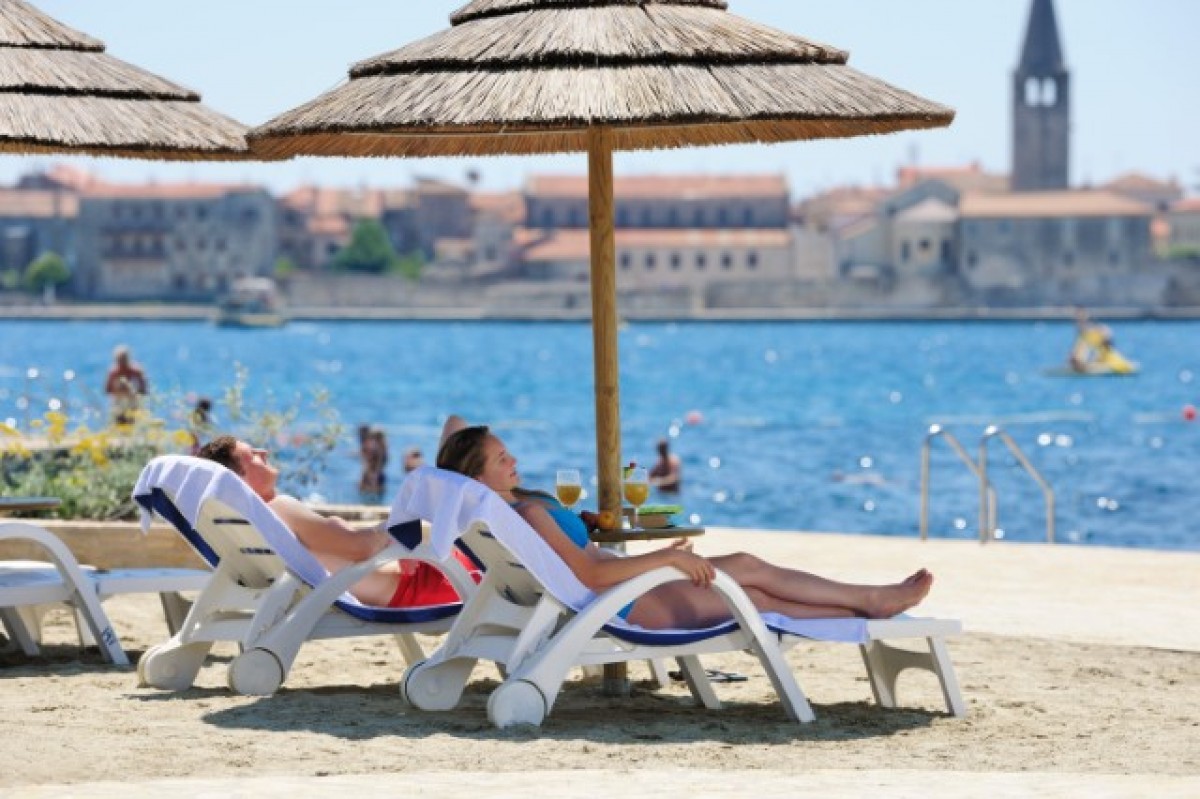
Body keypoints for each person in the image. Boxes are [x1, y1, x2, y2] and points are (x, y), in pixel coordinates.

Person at [435, 421, 933, 630]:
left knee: (747, 569)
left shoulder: (503, 512)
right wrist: (669, 558)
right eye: (502, 458)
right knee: (755, 596)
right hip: (627, 602)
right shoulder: (527, 514)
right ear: (478, 474)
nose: (514, 459)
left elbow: (574, 560)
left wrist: (582, 526)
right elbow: (589, 574)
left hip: (624, 591)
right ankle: (868, 603)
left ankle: (867, 600)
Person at [197, 435, 477, 608]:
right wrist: (401, 527)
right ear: (241, 478)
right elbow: (360, 547)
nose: (264, 452)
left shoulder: (259, 523)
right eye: (253, 455)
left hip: (419, 579)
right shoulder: (279, 509)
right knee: (463, 447)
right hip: (428, 585)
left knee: (461, 444)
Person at [104, 344, 148, 425]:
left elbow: (144, 390)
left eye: (123, 360)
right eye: (120, 360)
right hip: (118, 404)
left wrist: (131, 389)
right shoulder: (113, 372)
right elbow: (107, 390)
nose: (122, 363)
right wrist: (119, 389)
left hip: (133, 404)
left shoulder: (136, 371)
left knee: (133, 423)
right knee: (119, 423)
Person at [357, 425, 387, 496]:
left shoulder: (378, 451)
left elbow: (374, 465)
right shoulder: (383, 450)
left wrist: (373, 477)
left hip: (373, 475)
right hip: (375, 475)